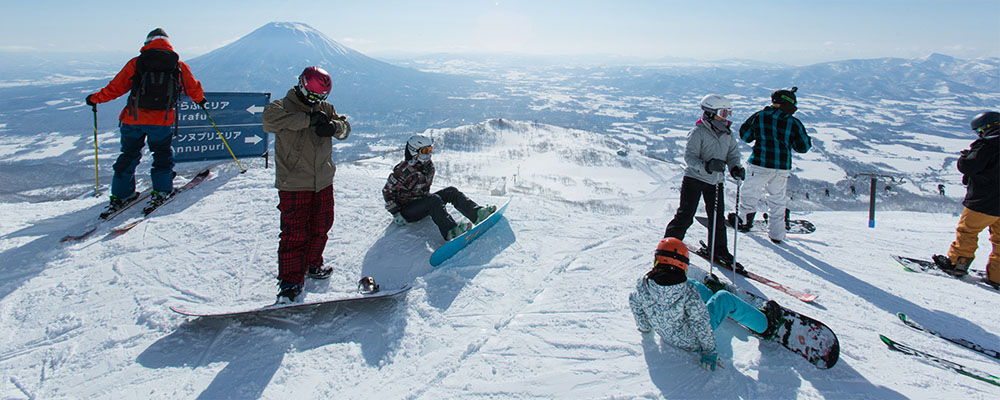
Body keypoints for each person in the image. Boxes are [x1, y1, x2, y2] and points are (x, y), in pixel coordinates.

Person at [85, 28, 206, 217]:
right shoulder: (178, 66)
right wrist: (201, 101)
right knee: (162, 155)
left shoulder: (136, 63)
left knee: (129, 154)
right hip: (161, 120)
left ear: (147, 42)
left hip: (133, 119)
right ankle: (162, 190)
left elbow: (115, 88)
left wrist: (95, 99)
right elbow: (193, 88)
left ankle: (122, 194)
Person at [262, 66, 351, 304]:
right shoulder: (281, 107)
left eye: (321, 97)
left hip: (322, 179)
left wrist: (334, 127)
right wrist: (307, 121)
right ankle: (290, 281)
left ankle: (312, 264)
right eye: (313, 96)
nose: (316, 101)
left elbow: (345, 127)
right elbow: (268, 122)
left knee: (321, 224)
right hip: (294, 181)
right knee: (294, 232)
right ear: (301, 86)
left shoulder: (325, 108)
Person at [629, 238, 783, 371]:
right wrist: (709, 351)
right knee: (725, 298)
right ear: (683, 265)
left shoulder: (643, 285)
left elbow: (634, 301)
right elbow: (700, 324)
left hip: (666, 335)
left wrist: (645, 326)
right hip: (691, 340)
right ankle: (766, 324)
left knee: (692, 284)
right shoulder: (688, 293)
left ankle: (711, 294)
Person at [663, 94, 745, 271]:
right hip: (694, 179)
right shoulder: (698, 131)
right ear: (709, 113)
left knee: (717, 218)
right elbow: (689, 158)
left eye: (727, 113)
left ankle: (719, 250)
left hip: (716, 181)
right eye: (722, 112)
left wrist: (735, 167)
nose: (726, 117)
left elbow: (733, 154)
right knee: (685, 215)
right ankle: (668, 246)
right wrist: (706, 166)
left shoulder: (727, 133)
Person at [732, 87, 812, 244]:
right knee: (777, 201)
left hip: (759, 163)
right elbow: (803, 147)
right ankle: (777, 234)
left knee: (749, 194)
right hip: (782, 167)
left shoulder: (760, 116)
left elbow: (745, 136)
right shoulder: (793, 123)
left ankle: (744, 222)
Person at [382, 135, 497, 241]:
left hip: (422, 204)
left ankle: (477, 214)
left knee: (451, 191)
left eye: (430, 150)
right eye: (425, 151)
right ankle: (451, 231)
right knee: (434, 199)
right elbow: (387, 190)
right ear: (414, 151)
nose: (428, 154)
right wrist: (396, 213)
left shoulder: (428, 166)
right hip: (406, 211)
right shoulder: (404, 170)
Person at [933, 111, 1000, 288]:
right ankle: (997, 276)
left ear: (987, 127)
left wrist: (964, 157)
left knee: (968, 232)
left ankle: (957, 264)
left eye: (979, 130)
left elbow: (969, 166)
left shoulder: (987, 145)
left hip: (982, 202)